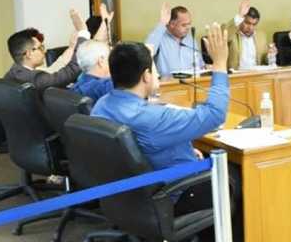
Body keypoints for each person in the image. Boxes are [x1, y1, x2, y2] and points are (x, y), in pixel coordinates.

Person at [92, 24, 229, 171]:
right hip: (180, 182)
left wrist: (184, 150)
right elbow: (215, 113)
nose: (156, 74)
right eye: (154, 68)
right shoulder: (154, 118)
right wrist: (220, 63)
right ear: (146, 76)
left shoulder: (101, 105)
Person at [4, 9, 90, 92]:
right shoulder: (36, 80)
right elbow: (71, 72)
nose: (44, 51)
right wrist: (83, 33)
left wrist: (72, 46)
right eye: (40, 48)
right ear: (29, 54)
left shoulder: (14, 72)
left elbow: (53, 70)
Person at [145, 3, 203, 76]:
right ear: (172, 24)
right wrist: (162, 23)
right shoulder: (160, 37)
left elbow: (200, 63)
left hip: (191, 81)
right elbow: (147, 52)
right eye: (184, 25)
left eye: (189, 24)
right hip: (168, 82)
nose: (188, 28)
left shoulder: (190, 39)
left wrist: (205, 67)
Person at [224, 0, 276, 70]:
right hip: (236, 75)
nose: (250, 28)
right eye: (247, 23)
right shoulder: (232, 33)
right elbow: (223, 37)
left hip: (255, 74)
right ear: (241, 20)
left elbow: (264, 61)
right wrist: (240, 15)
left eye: (254, 24)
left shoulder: (261, 36)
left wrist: (270, 56)